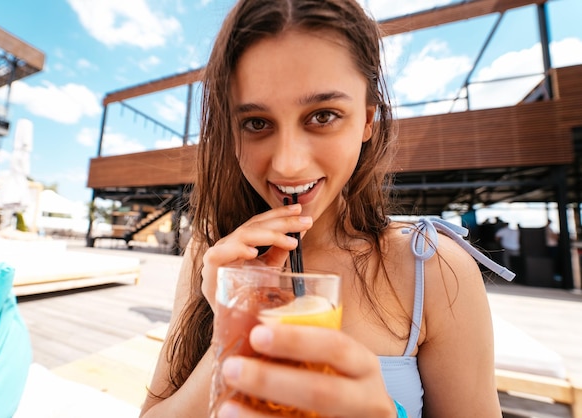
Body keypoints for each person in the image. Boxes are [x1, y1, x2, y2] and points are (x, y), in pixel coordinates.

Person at [140, 1, 512, 417]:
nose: (287, 163)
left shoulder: (433, 269)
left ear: (368, 119)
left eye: (323, 115)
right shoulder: (214, 258)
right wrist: (232, 330)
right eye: (257, 123)